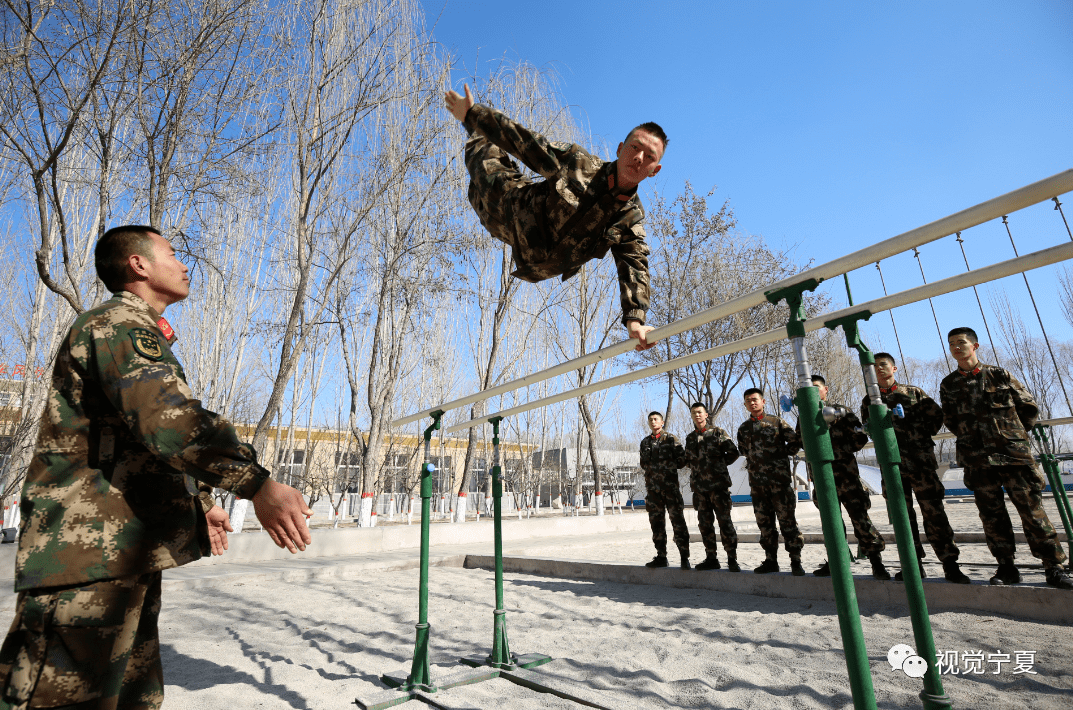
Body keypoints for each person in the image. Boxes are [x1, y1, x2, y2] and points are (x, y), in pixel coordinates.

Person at [0, 225, 314, 709]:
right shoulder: (116, 326)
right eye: (172, 253)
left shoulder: (137, 331)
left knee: (132, 699)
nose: (184, 264)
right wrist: (256, 484)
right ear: (139, 265)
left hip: (121, 555)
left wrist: (200, 502)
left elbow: (141, 441)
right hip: (83, 561)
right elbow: (168, 421)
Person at [445, 84, 663, 351]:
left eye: (649, 156)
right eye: (634, 147)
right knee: (482, 155)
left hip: (528, 255)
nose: (639, 157)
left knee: (484, 173)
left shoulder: (629, 217)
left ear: (655, 170)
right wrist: (472, 115)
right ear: (620, 149)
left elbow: (635, 266)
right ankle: (475, 133)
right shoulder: (578, 163)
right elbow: (527, 143)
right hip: (505, 203)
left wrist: (635, 321)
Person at [939, 328, 1072, 590]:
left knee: (1032, 511)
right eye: (952, 343)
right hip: (977, 460)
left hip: (1013, 456)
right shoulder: (949, 384)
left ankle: (1053, 567)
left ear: (975, 345)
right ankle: (1006, 566)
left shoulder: (999, 375)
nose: (956, 347)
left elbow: (1028, 408)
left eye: (961, 342)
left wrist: (1010, 436)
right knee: (991, 515)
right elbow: (951, 420)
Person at [860, 353, 970, 584]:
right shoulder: (869, 400)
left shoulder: (913, 393)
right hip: (892, 468)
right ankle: (913, 565)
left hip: (920, 464)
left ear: (894, 368)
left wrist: (917, 433)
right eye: (873, 367)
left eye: (883, 365)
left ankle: (950, 564)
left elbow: (935, 417)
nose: (878, 370)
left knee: (934, 515)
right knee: (902, 518)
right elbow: (870, 429)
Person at [798, 376, 889, 580]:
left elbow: (860, 438)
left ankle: (877, 563)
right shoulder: (803, 414)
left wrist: (836, 451)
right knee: (831, 524)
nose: (812, 394)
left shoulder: (841, 411)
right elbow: (802, 441)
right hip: (822, 479)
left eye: (816, 389)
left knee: (861, 520)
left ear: (825, 390)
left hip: (846, 477)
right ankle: (836, 562)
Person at [736, 388, 806, 576]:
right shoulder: (743, 428)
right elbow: (743, 450)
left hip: (779, 484)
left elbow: (794, 442)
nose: (752, 403)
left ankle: (795, 561)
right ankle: (770, 560)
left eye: (755, 399)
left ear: (763, 401)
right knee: (765, 524)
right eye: (748, 401)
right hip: (758, 486)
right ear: (745, 405)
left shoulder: (776, 422)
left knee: (788, 522)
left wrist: (781, 455)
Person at [684, 403, 741, 572]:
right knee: (705, 524)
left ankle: (732, 558)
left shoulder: (718, 433)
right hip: (700, 489)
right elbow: (688, 460)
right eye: (694, 413)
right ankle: (711, 558)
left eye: (700, 412)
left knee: (725, 522)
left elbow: (733, 453)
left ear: (706, 414)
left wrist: (718, 467)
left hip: (718, 487)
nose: (697, 415)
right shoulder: (690, 438)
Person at [638, 412, 690, 569]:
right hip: (653, 491)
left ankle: (684, 557)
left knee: (678, 522)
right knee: (656, 524)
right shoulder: (645, 442)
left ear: (662, 422)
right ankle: (661, 556)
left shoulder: (671, 439)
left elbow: (682, 460)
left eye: (656, 420)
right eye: (651, 420)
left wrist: (668, 469)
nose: (653, 422)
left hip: (671, 489)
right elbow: (643, 463)